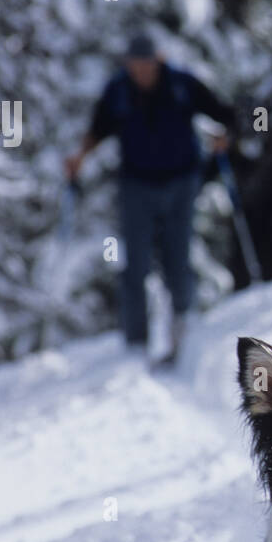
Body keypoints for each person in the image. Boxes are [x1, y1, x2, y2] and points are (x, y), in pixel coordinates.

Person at [65, 33, 235, 361]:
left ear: (157, 60)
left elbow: (223, 114)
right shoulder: (118, 91)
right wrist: (79, 157)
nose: (140, 71)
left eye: (146, 65)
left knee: (177, 260)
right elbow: (98, 128)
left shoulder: (182, 84)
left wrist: (223, 138)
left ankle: (183, 331)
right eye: (135, 66)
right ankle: (136, 345)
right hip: (137, 186)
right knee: (136, 265)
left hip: (181, 183)